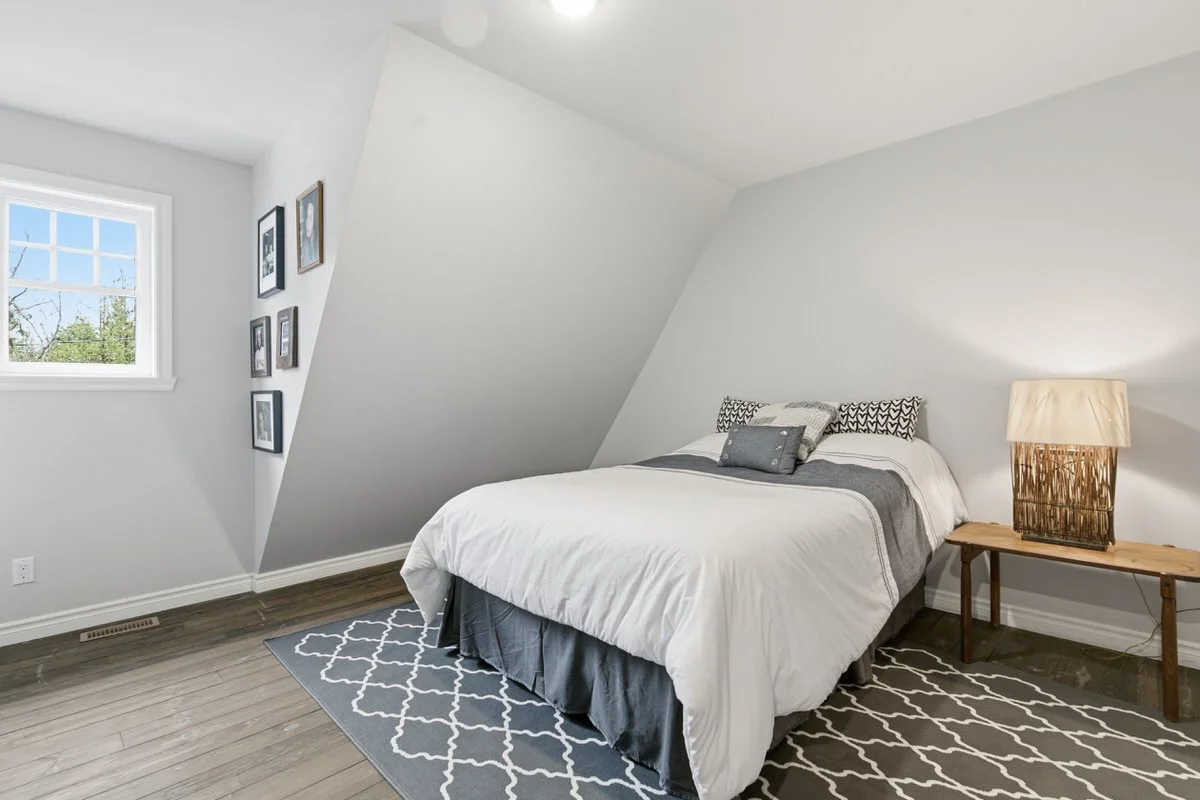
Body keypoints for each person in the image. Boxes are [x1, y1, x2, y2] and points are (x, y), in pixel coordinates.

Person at [300, 196, 318, 266]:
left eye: (310, 218)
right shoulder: (304, 249)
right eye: (306, 217)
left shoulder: (317, 247)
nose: (307, 223)